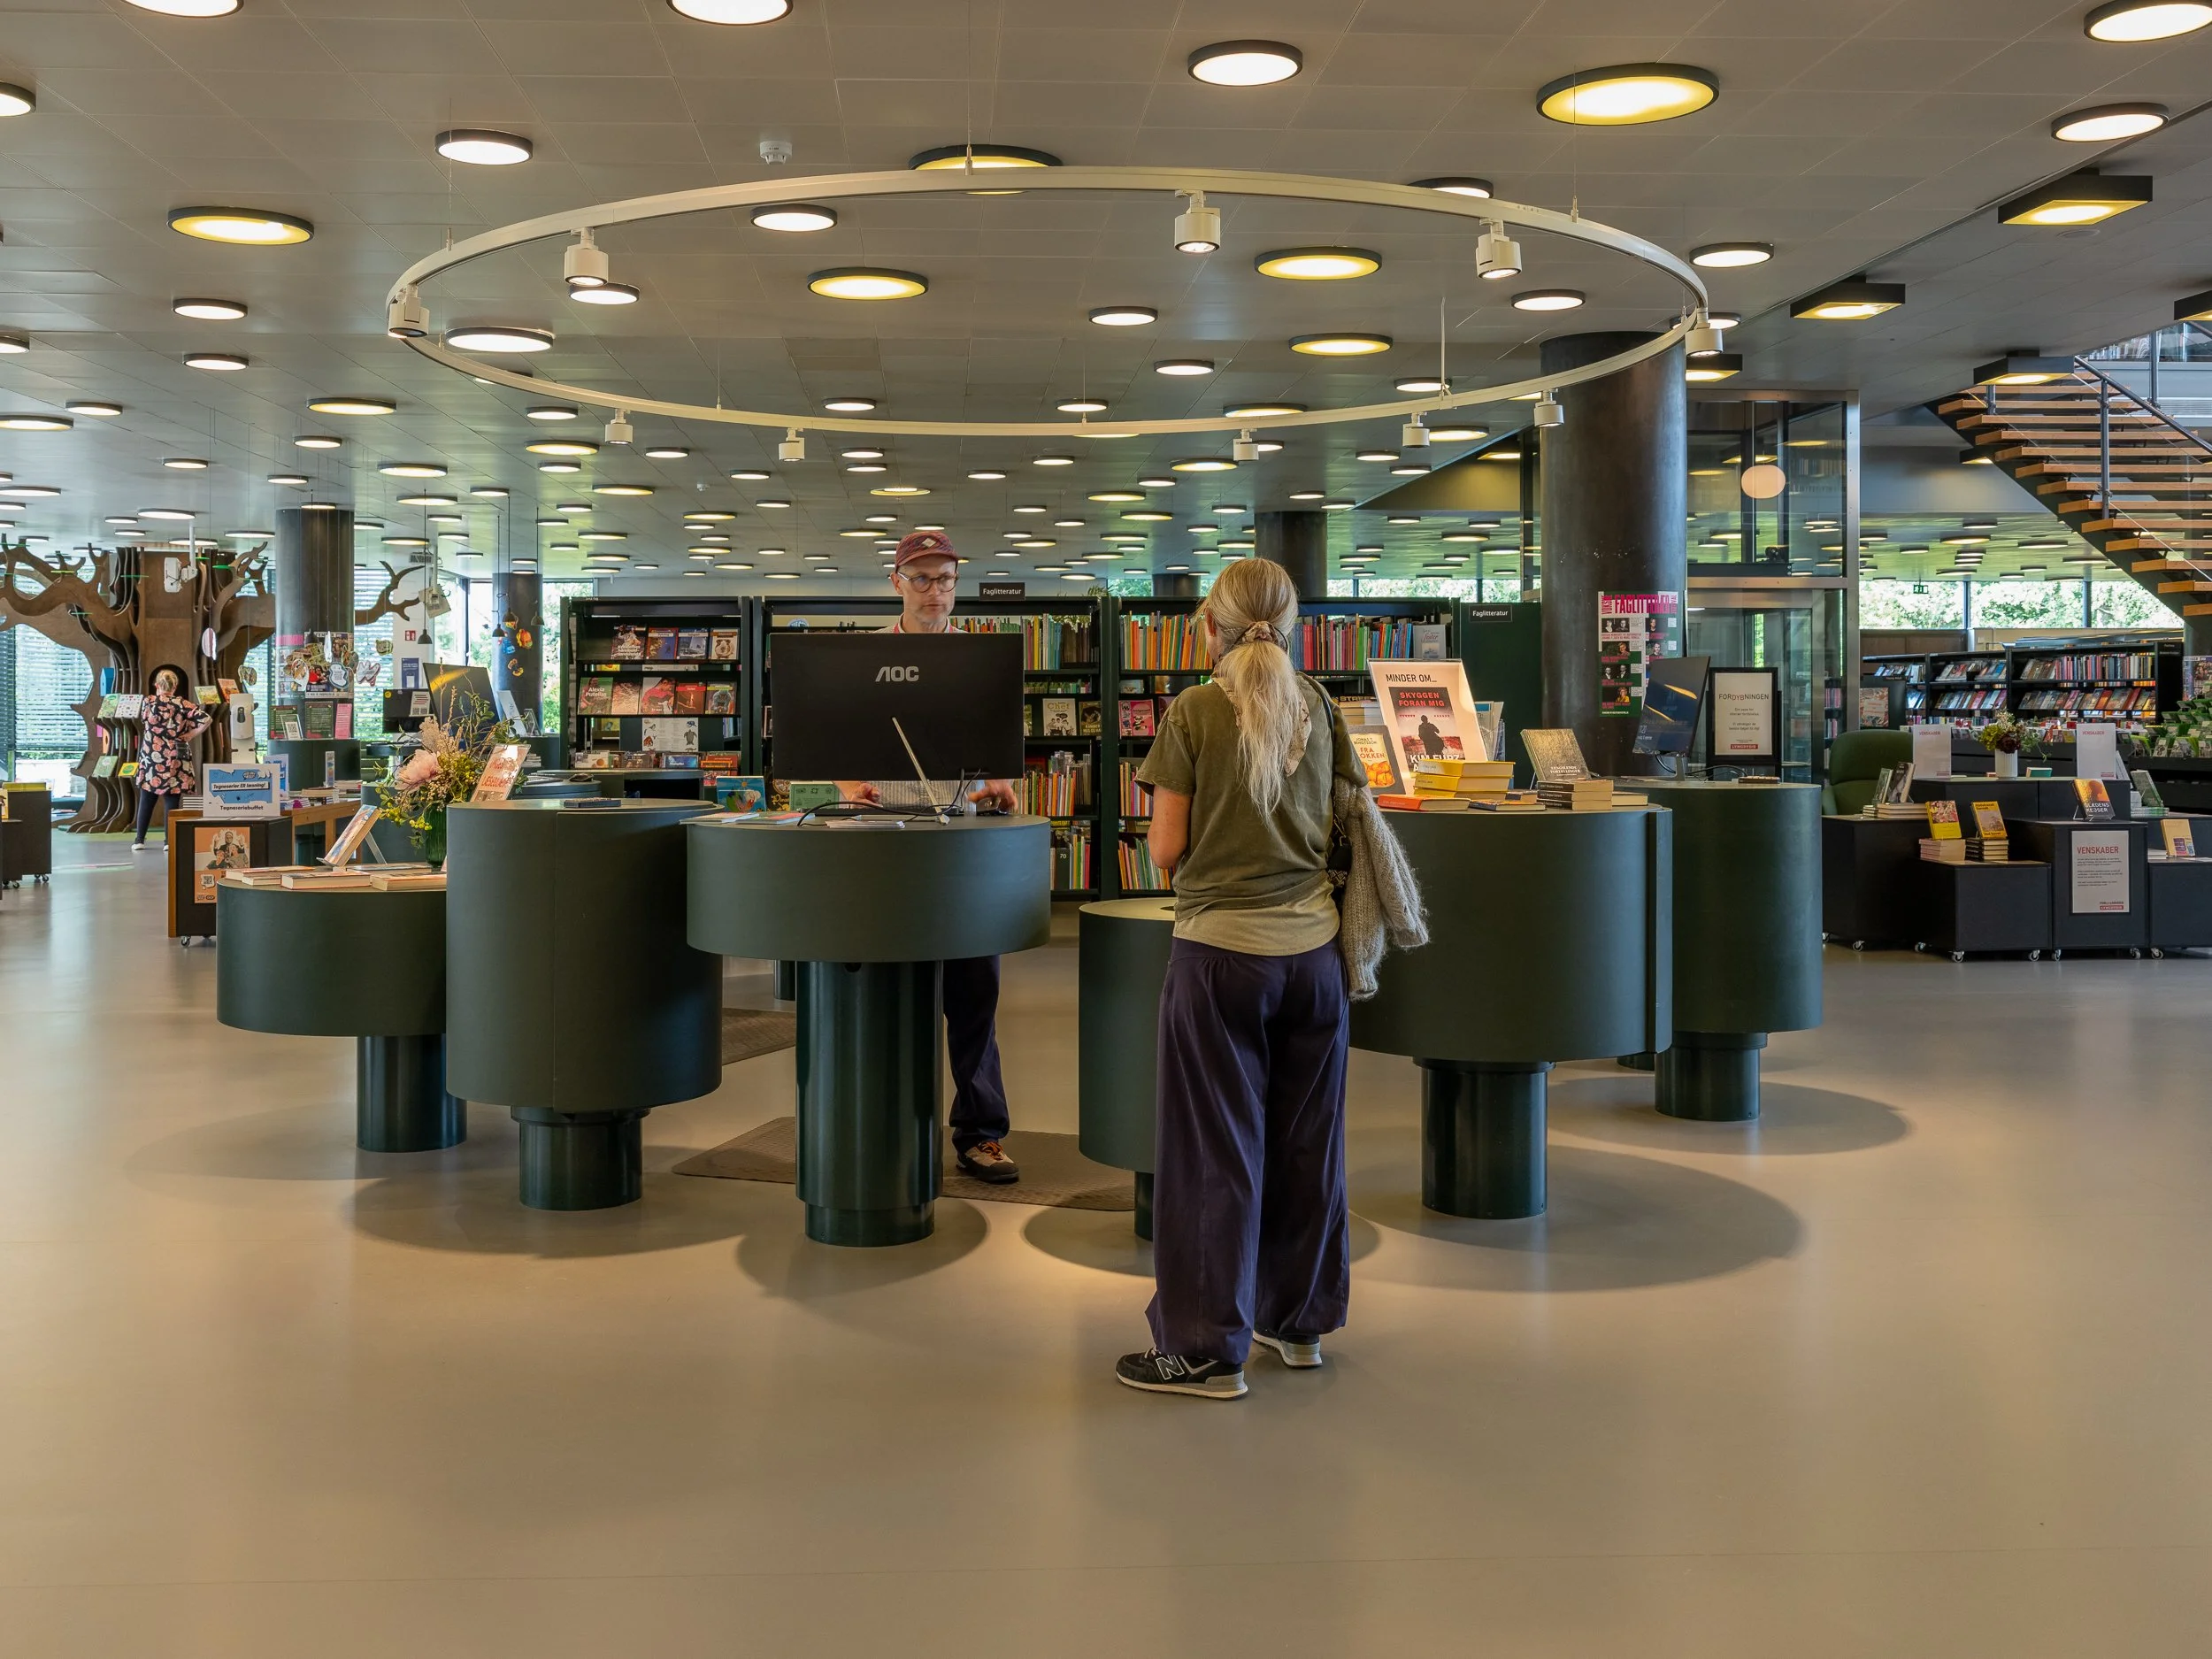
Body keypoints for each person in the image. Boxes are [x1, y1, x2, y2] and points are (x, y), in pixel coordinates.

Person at [1117, 557, 1366, 1401]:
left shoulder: (1191, 711)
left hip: (1221, 959)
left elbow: (1166, 851)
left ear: (1207, 628)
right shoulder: (1323, 705)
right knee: (1308, 1144)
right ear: (1292, 626)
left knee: (1212, 1152)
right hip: (1317, 961)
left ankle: (1204, 1348)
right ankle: (1297, 1325)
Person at [837, 529, 1025, 1186]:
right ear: (896, 583)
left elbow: (1004, 754)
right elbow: (840, 749)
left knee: (974, 994)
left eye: (945, 578)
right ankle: (884, 1128)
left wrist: (1003, 785)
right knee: (885, 991)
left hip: (960, 846)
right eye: (920, 578)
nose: (934, 591)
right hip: (884, 844)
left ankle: (980, 1134)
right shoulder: (864, 661)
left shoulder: (982, 663)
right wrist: (845, 786)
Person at [132, 665, 212, 852]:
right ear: (175, 687)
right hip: (174, 758)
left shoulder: (148, 702)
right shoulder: (183, 704)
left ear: (156, 685)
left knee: (146, 799)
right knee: (172, 801)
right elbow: (207, 719)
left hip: (151, 757)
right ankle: (169, 842)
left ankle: (139, 839)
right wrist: (192, 733)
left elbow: (144, 721)